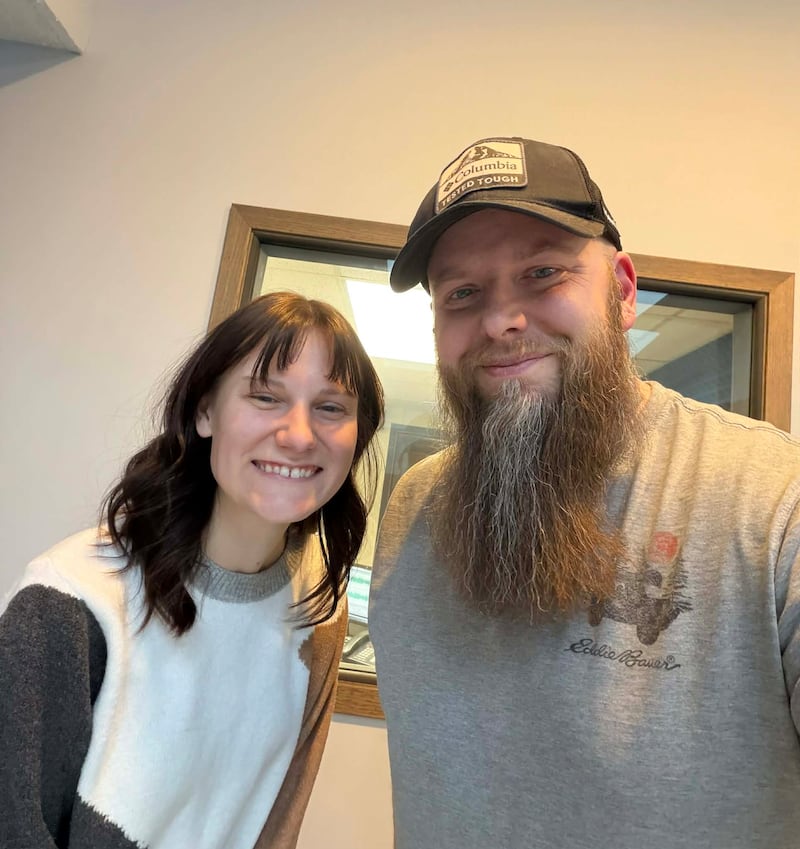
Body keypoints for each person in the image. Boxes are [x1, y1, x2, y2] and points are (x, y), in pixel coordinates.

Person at [369, 136, 800, 848]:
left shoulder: (771, 498)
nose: (501, 320)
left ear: (623, 291)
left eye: (542, 273)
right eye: (462, 293)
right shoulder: (415, 504)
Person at [0, 291, 384, 849]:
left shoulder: (318, 604)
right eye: (264, 396)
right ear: (205, 411)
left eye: (330, 407)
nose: (300, 436)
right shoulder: (69, 601)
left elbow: (278, 822)